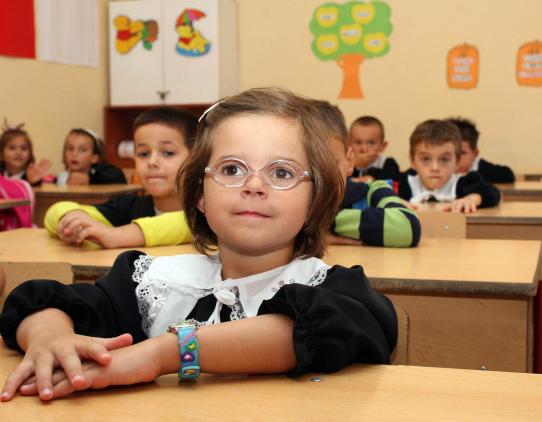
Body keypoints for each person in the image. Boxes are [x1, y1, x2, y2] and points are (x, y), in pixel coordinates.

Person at [0, 87, 397, 402]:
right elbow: (41, 299)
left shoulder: (334, 291)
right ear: (200, 195)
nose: (254, 185)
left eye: (281, 172)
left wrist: (161, 355)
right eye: (231, 169)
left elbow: (317, 330)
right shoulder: (154, 283)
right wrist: (49, 336)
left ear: (315, 202)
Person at [44, 108, 196, 248]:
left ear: (196, 158)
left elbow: (188, 224)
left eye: (168, 153)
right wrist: (72, 218)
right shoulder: (130, 206)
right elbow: (55, 211)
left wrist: (115, 236)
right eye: (143, 153)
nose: (151, 162)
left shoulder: (206, 210)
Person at [312, 101, 420, 247]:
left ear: (349, 161)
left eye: (331, 162)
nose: (320, 174)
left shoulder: (372, 191)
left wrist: (317, 227)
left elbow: (409, 227)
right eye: (308, 163)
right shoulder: (290, 202)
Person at [398, 119, 501, 213]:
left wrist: (472, 199)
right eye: (425, 159)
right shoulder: (402, 183)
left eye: (444, 159)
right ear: (412, 161)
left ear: (457, 162)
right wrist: (388, 200)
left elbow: (492, 193)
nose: (435, 168)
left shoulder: (464, 182)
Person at [446, 117, 516, 184]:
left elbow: (508, 176)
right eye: (448, 153)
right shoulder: (437, 167)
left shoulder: (483, 170)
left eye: (462, 153)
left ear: (475, 154)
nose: (456, 159)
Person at [56, 128, 126, 186]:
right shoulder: (62, 177)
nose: (74, 154)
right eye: (70, 149)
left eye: (82, 150)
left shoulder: (106, 174)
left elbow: (118, 180)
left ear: (94, 158)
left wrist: (90, 180)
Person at [0, 122, 53, 186]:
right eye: (12, 148)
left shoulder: (32, 175)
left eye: (23, 148)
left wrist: (32, 182)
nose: (18, 152)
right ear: (1, 154)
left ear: (30, 154)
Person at [349, 116, 400, 181]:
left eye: (371, 143)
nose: (364, 149)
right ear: (349, 144)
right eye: (358, 143)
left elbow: (393, 178)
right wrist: (353, 163)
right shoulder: (345, 164)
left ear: (383, 146)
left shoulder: (388, 163)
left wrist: (371, 176)